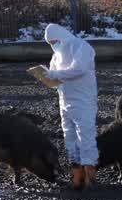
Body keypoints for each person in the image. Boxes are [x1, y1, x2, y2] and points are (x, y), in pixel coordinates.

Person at [37, 23, 99, 190]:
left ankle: (90, 177)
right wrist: (48, 78)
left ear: (62, 36)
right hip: (64, 100)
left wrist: (54, 74)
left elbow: (78, 69)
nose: (53, 45)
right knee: (69, 138)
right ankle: (77, 176)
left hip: (83, 100)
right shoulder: (56, 56)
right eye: (50, 43)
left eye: (55, 41)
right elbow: (56, 79)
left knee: (85, 137)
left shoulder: (81, 46)